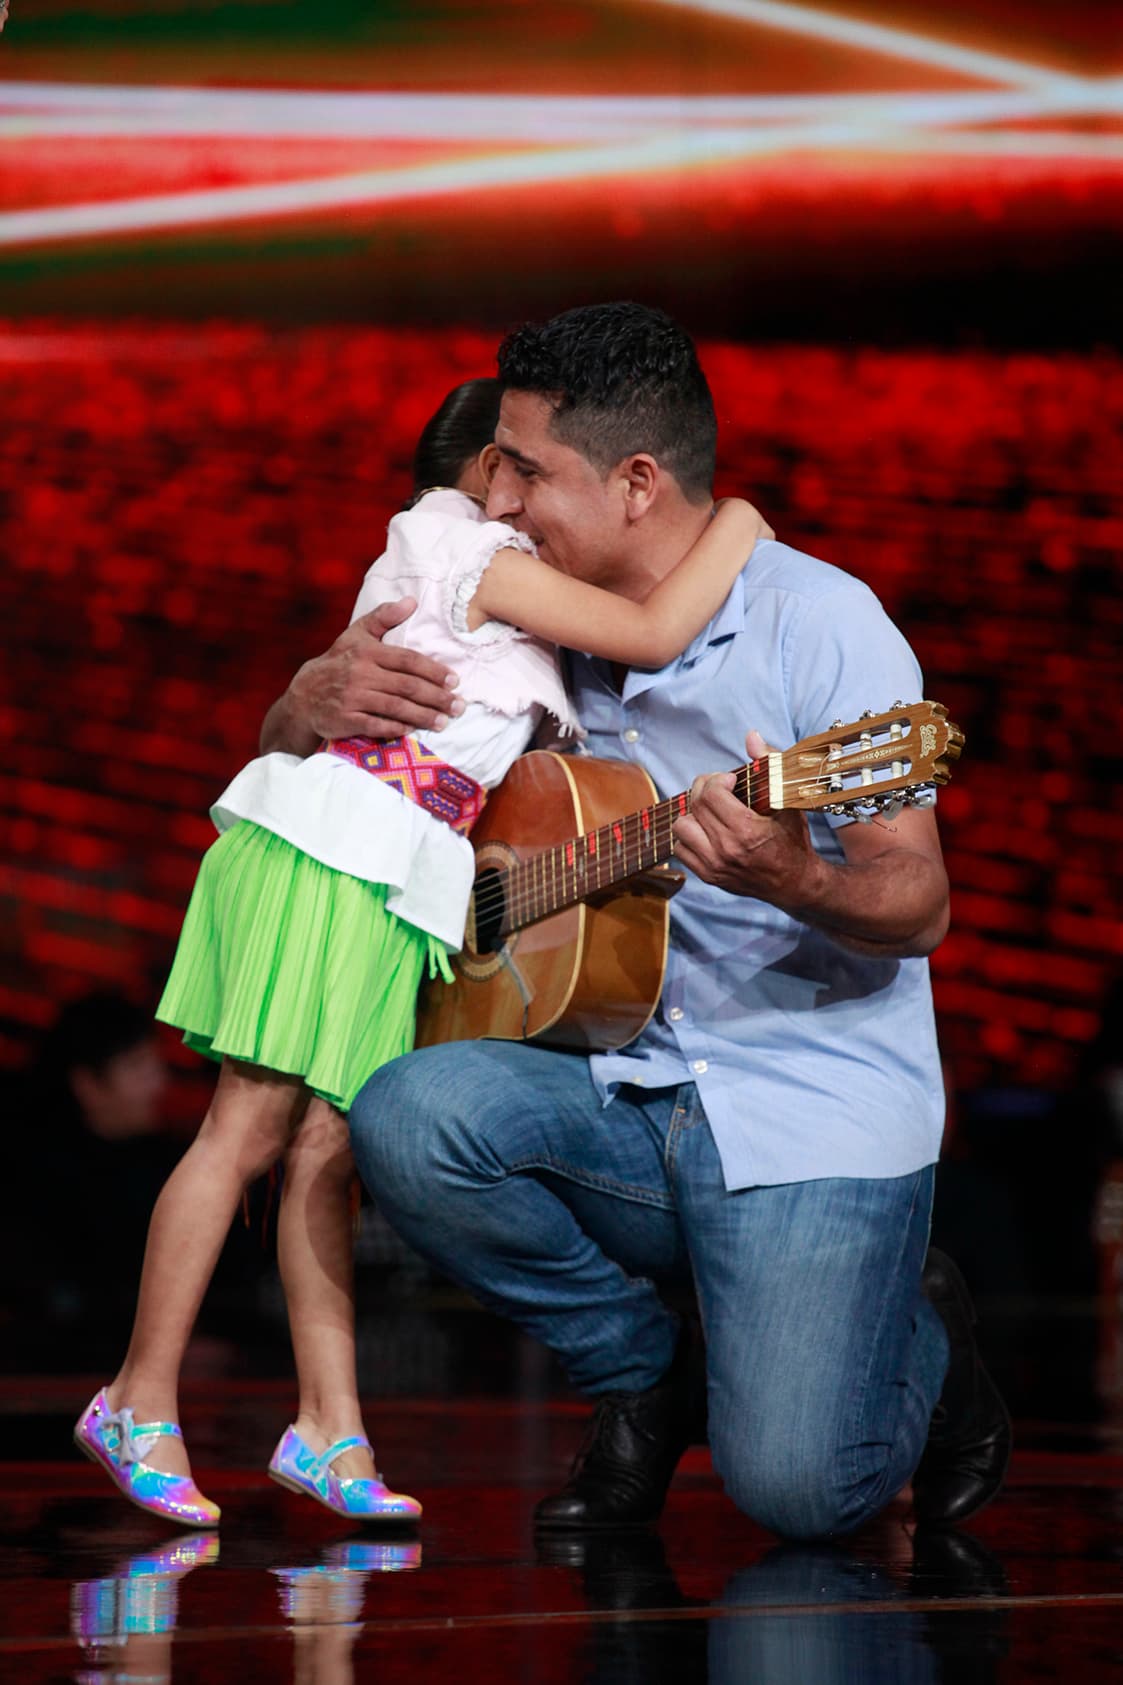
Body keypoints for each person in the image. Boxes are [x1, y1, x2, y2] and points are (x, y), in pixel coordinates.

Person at [264, 302, 1012, 1541]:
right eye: (494, 463)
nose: (496, 501)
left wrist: (792, 874)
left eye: (526, 469)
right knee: (406, 1114)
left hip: (798, 1103)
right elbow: (309, 792)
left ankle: (923, 1340)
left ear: (636, 482)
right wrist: (303, 702)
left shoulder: (820, 623)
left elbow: (915, 901)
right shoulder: (525, 626)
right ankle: (643, 1375)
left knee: (800, 1497)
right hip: (616, 1079)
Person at [73, 373, 771, 1532]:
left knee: (329, 1151)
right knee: (243, 1129)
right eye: (527, 464)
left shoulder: (496, 579)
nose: (536, 489)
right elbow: (656, 628)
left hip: (398, 876)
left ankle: (328, 1427)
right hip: (333, 852)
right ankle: (136, 1397)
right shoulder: (461, 548)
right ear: (489, 470)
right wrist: (740, 515)